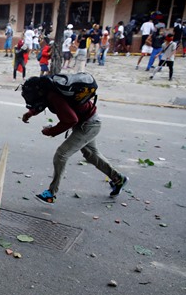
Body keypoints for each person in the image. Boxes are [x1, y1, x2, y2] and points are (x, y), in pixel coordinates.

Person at [20, 76, 128, 204]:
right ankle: (118, 179)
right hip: (89, 122)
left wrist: (51, 131)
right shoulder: (50, 90)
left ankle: (51, 193)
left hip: (88, 125)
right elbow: (43, 103)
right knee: (91, 155)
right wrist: (31, 113)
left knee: (61, 155)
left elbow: (71, 120)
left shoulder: (53, 96)